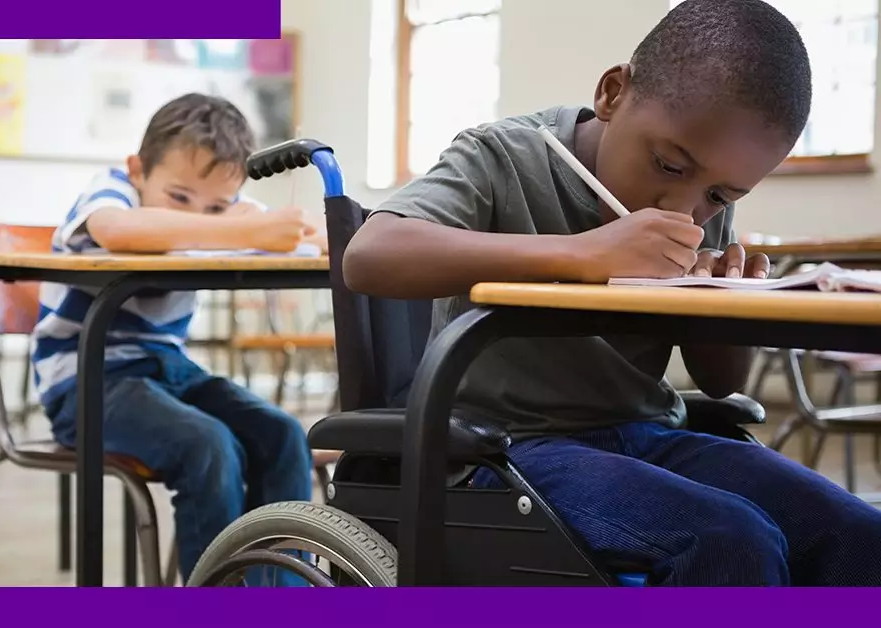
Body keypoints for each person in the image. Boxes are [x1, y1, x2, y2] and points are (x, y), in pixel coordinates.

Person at [342, 0, 881, 586]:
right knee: (729, 541)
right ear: (613, 92)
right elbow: (371, 255)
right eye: (668, 165)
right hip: (505, 446)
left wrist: (725, 304)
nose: (685, 208)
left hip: (650, 434)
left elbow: (720, 381)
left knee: (858, 538)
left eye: (721, 196)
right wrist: (583, 254)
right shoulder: (503, 158)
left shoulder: (701, 208)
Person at [31, 93, 320, 582]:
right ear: (137, 169)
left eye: (215, 206)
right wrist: (231, 227)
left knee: (284, 436)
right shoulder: (112, 189)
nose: (200, 216)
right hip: (85, 383)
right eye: (179, 198)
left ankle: (280, 597)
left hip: (170, 371)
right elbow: (118, 229)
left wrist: (310, 232)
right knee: (207, 444)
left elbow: (306, 239)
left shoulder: (230, 208)